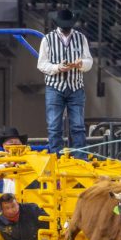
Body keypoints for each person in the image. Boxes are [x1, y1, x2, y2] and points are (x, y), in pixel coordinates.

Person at [37, 8, 93, 156]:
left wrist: (81, 63)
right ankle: (57, 158)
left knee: (78, 126)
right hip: (55, 87)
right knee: (55, 126)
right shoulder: (47, 39)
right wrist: (57, 67)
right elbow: (41, 64)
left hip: (76, 86)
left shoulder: (81, 38)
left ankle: (80, 159)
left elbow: (89, 61)